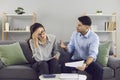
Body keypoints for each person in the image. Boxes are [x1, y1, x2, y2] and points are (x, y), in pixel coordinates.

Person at [60, 16, 103, 80]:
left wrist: (85, 64)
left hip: (87, 61)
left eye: (79, 25)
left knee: (99, 70)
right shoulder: (75, 34)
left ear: (87, 27)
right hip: (75, 60)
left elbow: (93, 54)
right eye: (77, 25)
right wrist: (65, 48)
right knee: (64, 66)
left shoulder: (94, 37)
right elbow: (70, 48)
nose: (77, 27)